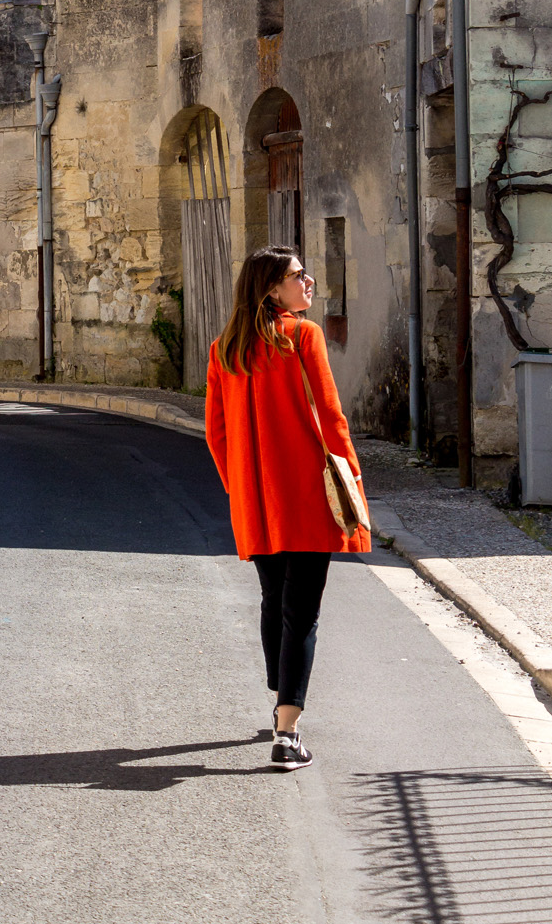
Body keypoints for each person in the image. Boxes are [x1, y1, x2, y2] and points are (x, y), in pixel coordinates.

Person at [205, 244, 370, 771]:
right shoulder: (303, 336)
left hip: (257, 498)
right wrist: (353, 481)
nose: (310, 282)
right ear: (272, 287)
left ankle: (281, 698)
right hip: (306, 495)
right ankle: (287, 731)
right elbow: (330, 415)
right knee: (302, 613)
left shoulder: (223, 349)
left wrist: (241, 488)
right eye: (299, 276)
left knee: (274, 601)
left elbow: (217, 433)